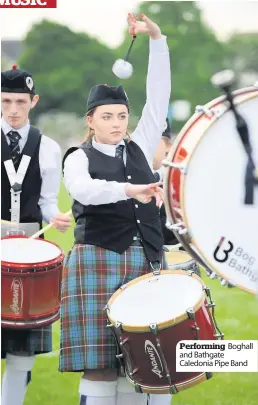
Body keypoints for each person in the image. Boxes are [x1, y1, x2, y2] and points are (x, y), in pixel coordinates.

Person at [60, 12, 172, 405]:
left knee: (140, 358)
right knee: (99, 364)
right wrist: (130, 189)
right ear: (91, 120)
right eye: (107, 116)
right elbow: (85, 191)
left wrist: (156, 38)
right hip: (97, 259)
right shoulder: (78, 157)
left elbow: (158, 94)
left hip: (146, 259)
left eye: (122, 116)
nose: (116, 123)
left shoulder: (140, 143)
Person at [1, 65, 72, 405]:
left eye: (20, 102)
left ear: (34, 101)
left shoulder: (48, 147)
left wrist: (54, 218)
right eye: (5, 102)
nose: (13, 110)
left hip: (29, 254)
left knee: (21, 350)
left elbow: (46, 202)